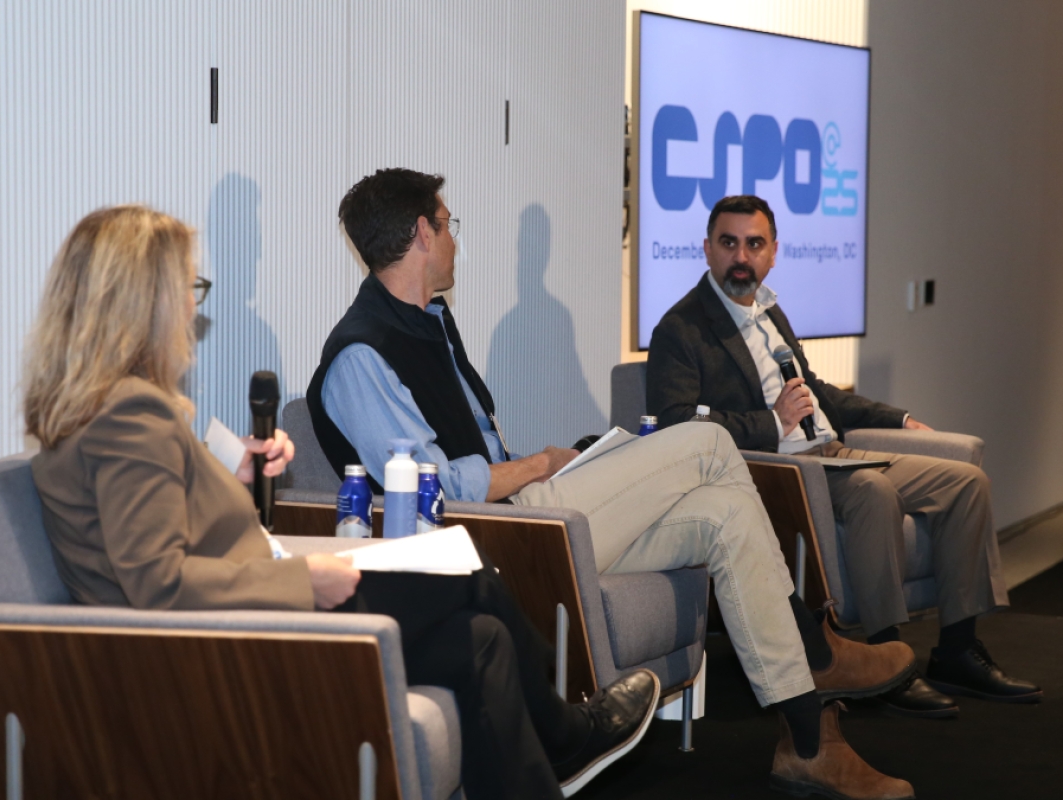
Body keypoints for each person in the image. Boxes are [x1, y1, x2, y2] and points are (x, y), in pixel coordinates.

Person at [309, 168, 919, 800]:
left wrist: (564, 461)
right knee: (709, 442)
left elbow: (476, 445)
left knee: (722, 514)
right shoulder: (361, 355)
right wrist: (538, 467)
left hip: (530, 508)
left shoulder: (428, 322)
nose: (455, 240)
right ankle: (814, 648)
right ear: (421, 234)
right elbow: (430, 486)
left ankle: (807, 741)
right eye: (447, 224)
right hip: (498, 534)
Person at [23, 205, 662, 800]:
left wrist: (227, 471)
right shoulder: (128, 416)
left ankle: (567, 740)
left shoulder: (98, 411)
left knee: (482, 639)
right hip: (223, 651)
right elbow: (157, 584)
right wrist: (304, 579)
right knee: (469, 574)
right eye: (186, 292)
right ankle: (573, 733)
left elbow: (154, 526)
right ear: (142, 303)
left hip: (239, 623)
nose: (192, 313)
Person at [646, 194, 1042, 719]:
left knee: (966, 481)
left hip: (831, 450)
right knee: (873, 492)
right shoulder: (682, 329)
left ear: (773, 252)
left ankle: (957, 651)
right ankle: (886, 660)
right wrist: (773, 422)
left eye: (754, 244)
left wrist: (897, 419)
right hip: (780, 468)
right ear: (707, 249)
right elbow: (674, 424)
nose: (741, 256)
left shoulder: (769, 310)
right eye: (728, 243)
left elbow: (818, 391)